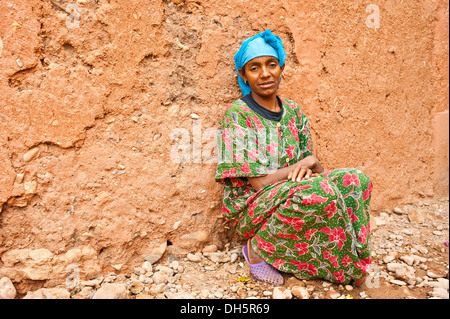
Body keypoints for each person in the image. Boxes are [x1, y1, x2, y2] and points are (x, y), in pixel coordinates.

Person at [215, 30, 373, 286]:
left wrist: (312, 165)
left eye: (271, 65)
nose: (265, 74)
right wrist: (302, 166)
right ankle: (257, 249)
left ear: (281, 68)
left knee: (356, 180)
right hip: (251, 207)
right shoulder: (238, 115)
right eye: (254, 68)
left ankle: (353, 258)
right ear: (243, 75)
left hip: (292, 193)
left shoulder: (294, 112)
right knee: (317, 191)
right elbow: (260, 184)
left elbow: (312, 169)